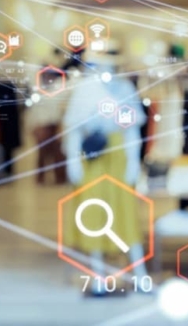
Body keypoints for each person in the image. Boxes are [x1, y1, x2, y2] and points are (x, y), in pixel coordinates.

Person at [61, 41, 148, 294]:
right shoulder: (85, 90)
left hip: (118, 156)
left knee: (125, 214)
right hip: (93, 159)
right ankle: (97, 274)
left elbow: (133, 129)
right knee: (93, 214)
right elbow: (74, 130)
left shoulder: (125, 88)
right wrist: (73, 162)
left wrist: (134, 162)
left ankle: (139, 273)